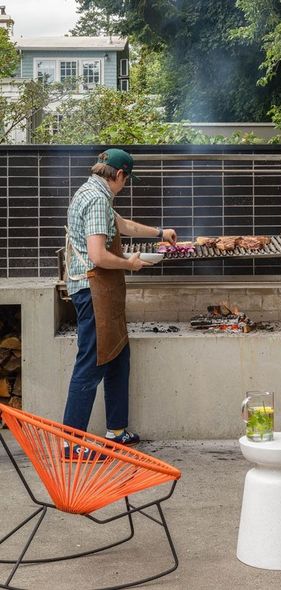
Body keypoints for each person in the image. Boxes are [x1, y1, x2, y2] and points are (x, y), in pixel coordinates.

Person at [63, 148, 176, 456]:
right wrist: (131, 263)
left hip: (100, 289)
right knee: (91, 363)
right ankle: (70, 444)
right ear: (120, 175)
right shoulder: (98, 199)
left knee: (117, 357)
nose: (125, 186)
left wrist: (160, 233)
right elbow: (98, 256)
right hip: (93, 289)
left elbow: (123, 225)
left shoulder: (91, 192)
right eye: (127, 180)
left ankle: (116, 431)